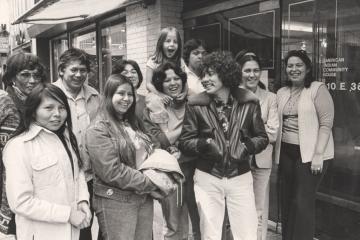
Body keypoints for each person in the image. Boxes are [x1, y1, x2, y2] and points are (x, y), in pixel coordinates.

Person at [178, 51, 269, 240]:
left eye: (210, 74)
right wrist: (205, 144)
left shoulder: (249, 102)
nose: (205, 79)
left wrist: (246, 147)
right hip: (207, 177)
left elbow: (262, 137)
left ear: (225, 74)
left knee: (246, 233)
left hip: (240, 176)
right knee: (210, 235)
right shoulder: (195, 105)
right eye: (203, 75)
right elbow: (185, 142)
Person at [3, 84, 91, 240]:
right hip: (42, 233)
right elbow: (20, 202)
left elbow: (78, 173)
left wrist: (83, 200)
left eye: (62, 108)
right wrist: (67, 214)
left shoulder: (65, 137)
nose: (57, 114)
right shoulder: (19, 146)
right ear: (33, 111)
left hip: (74, 230)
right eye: (49, 108)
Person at [85, 75, 168, 240]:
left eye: (130, 94)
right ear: (109, 95)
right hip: (116, 200)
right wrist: (151, 182)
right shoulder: (98, 129)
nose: (126, 98)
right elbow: (111, 171)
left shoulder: (133, 121)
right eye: (120, 93)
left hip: (142, 197)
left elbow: (151, 147)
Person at [275, 50, 334, 240]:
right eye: (290, 66)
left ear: (307, 68)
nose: (294, 69)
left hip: (311, 153)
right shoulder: (281, 92)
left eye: (298, 65)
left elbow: (326, 124)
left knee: (302, 202)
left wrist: (318, 154)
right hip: (286, 152)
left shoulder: (318, 89)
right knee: (288, 200)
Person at [53, 48, 100, 240]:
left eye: (83, 70)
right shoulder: (50, 95)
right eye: (73, 70)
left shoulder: (94, 96)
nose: (79, 74)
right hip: (64, 176)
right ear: (61, 70)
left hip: (91, 175)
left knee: (88, 225)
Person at [0, 52, 47, 238]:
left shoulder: (40, 101)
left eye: (36, 75)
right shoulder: (4, 102)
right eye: (25, 75)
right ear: (12, 77)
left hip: (36, 186)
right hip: (7, 188)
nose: (32, 80)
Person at [143, 62, 191, 240]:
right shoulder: (155, 105)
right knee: (172, 222)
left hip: (191, 165)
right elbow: (156, 137)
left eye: (176, 78)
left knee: (188, 216)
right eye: (167, 80)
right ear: (159, 84)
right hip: (170, 170)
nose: (173, 83)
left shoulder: (191, 103)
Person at [237, 54, 279, 240]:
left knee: (259, 210)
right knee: (238, 207)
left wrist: (245, 137)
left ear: (260, 72)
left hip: (262, 162)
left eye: (255, 70)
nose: (252, 74)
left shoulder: (271, 98)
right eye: (247, 70)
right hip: (237, 160)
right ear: (240, 72)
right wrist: (259, 134)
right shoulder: (234, 96)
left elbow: (273, 133)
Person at [146, 26, 186, 105]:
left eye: (175, 42)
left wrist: (185, 92)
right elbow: (148, 84)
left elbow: (185, 81)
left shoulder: (180, 61)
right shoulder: (153, 61)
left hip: (175, 98)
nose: (172, 44)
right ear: (161, 43)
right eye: (168, 41)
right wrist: (160, 95)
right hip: (157, 96)